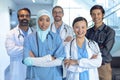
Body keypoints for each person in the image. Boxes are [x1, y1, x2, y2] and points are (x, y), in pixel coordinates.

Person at [23, 9, 65, 80]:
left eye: (47, 20)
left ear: (50, 22)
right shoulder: (29, 38)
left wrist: (34, 61)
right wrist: (49, 58)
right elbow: (26, 61)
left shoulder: (56, 37)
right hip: (34, 76)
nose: (44, 23)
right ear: (37, 21)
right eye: (41, 20)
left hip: (53, 76)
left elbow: (60, 61)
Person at [86, 5, 115, 80]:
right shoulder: (87, 32)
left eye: (98, 14)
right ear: (91, 16)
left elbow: (105, 50)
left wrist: (92, 53)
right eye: (93, 14)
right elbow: (85, 47)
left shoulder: (109, 31)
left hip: (103, 66)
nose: (96, 16)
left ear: (103, 15)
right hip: (90, 66)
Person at [5, 8, 34, 80]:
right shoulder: (11, 33)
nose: (24, 18)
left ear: (29, 18)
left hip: (33, 69)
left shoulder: (35, 33)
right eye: (22, 16)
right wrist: (28, 50)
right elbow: (10, 51)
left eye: (27, 16)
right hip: (18, 70)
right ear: (18, 18)